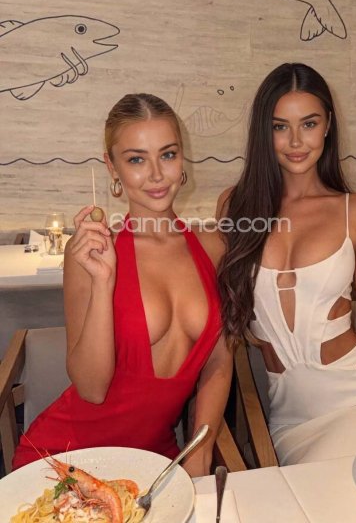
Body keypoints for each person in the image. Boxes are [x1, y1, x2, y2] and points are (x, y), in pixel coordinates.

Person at [13, 93, 232, 476]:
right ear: (112, 167)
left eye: (167, 154)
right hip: (70, 459)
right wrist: (103, 281)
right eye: (136, 160)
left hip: (155, 463)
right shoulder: (93, 252)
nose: (157, 174)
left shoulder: (213, 247)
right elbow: (91, 389)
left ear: (182, 159)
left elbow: (219, 361)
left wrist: (200, 449)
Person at [217, 63, 356, 465]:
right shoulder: (235, 206)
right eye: (280, 126)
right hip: (290, 421)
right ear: (263, 132)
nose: (296, 141)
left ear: (328, 125)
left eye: (309, 124)